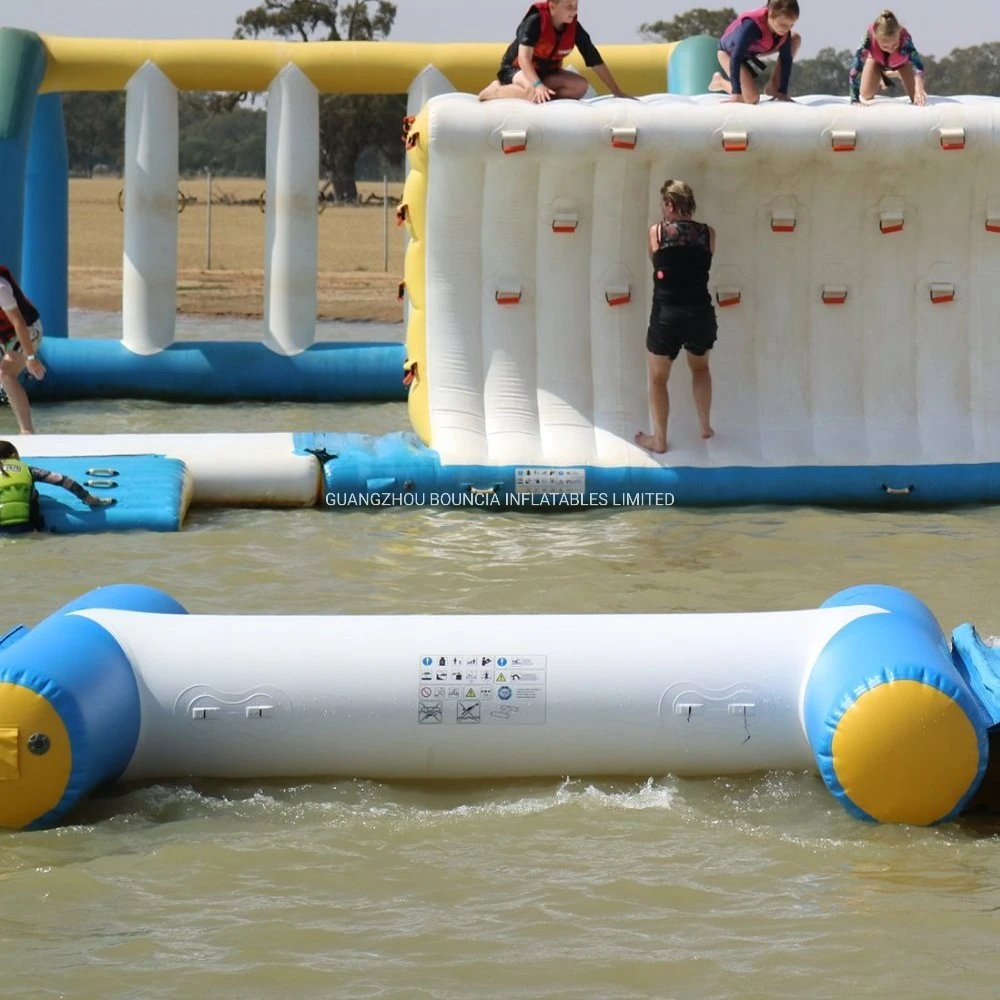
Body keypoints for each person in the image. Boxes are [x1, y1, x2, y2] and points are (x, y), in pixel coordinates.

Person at [635, 181, 717, 455]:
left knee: (658, 379)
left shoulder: (656, 232)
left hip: (666, 316)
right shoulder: (708, 234)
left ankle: (659, 440)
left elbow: (655, 260)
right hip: (700, 314)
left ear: (669, 204)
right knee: (700, 368)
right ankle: (705, 427)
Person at [478, 0, 630, 103]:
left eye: (576, 4)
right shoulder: (535, 21)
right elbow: (524, 58)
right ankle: (494, 90)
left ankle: (537, 94)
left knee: (580, 86)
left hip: (546, 72)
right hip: (515, 69)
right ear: (552, 6)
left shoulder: (574, 28)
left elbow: (595, 61)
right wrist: (537, 85)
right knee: (532, 91)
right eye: (568, 6)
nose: (574, 10)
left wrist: (617, 91)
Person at [0, 440, 115, 534]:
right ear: (13, 456)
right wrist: (89, 499)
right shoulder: (29, 471)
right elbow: (64, 481)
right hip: (25, 526)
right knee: (33, 493)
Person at [709, 1, 802, 105]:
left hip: (754, 51)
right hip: (730, 54)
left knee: (795, 39)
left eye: (791, 25)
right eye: (782, 24)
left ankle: (774, 88)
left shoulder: (784, 30)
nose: (786, 29)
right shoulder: (751, 25)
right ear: (770, 14)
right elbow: (736, 56)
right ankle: (720, 82)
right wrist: (736, 92)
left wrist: (782, 91)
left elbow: (786, 60)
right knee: (751, 99)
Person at [0, 265, 47, 435]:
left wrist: (30, 357)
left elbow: (18, 322)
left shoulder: (1, 288)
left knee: (5, 373)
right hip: (4, 335)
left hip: (27, 330)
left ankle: (27, 430)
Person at [849, 10, 927, 106]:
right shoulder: (868, 38)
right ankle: (881, 74)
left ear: (899, 34)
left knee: (915, 97)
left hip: (902, 64)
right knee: (866, 95)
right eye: (885, 46)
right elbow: (855, 68)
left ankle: (895, 73)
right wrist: (854, 99)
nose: (891, 49)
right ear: (876, 38)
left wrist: (919, 87)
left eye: (895, 45)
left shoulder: (905, 40)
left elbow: (917, 65)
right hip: (876, 61)